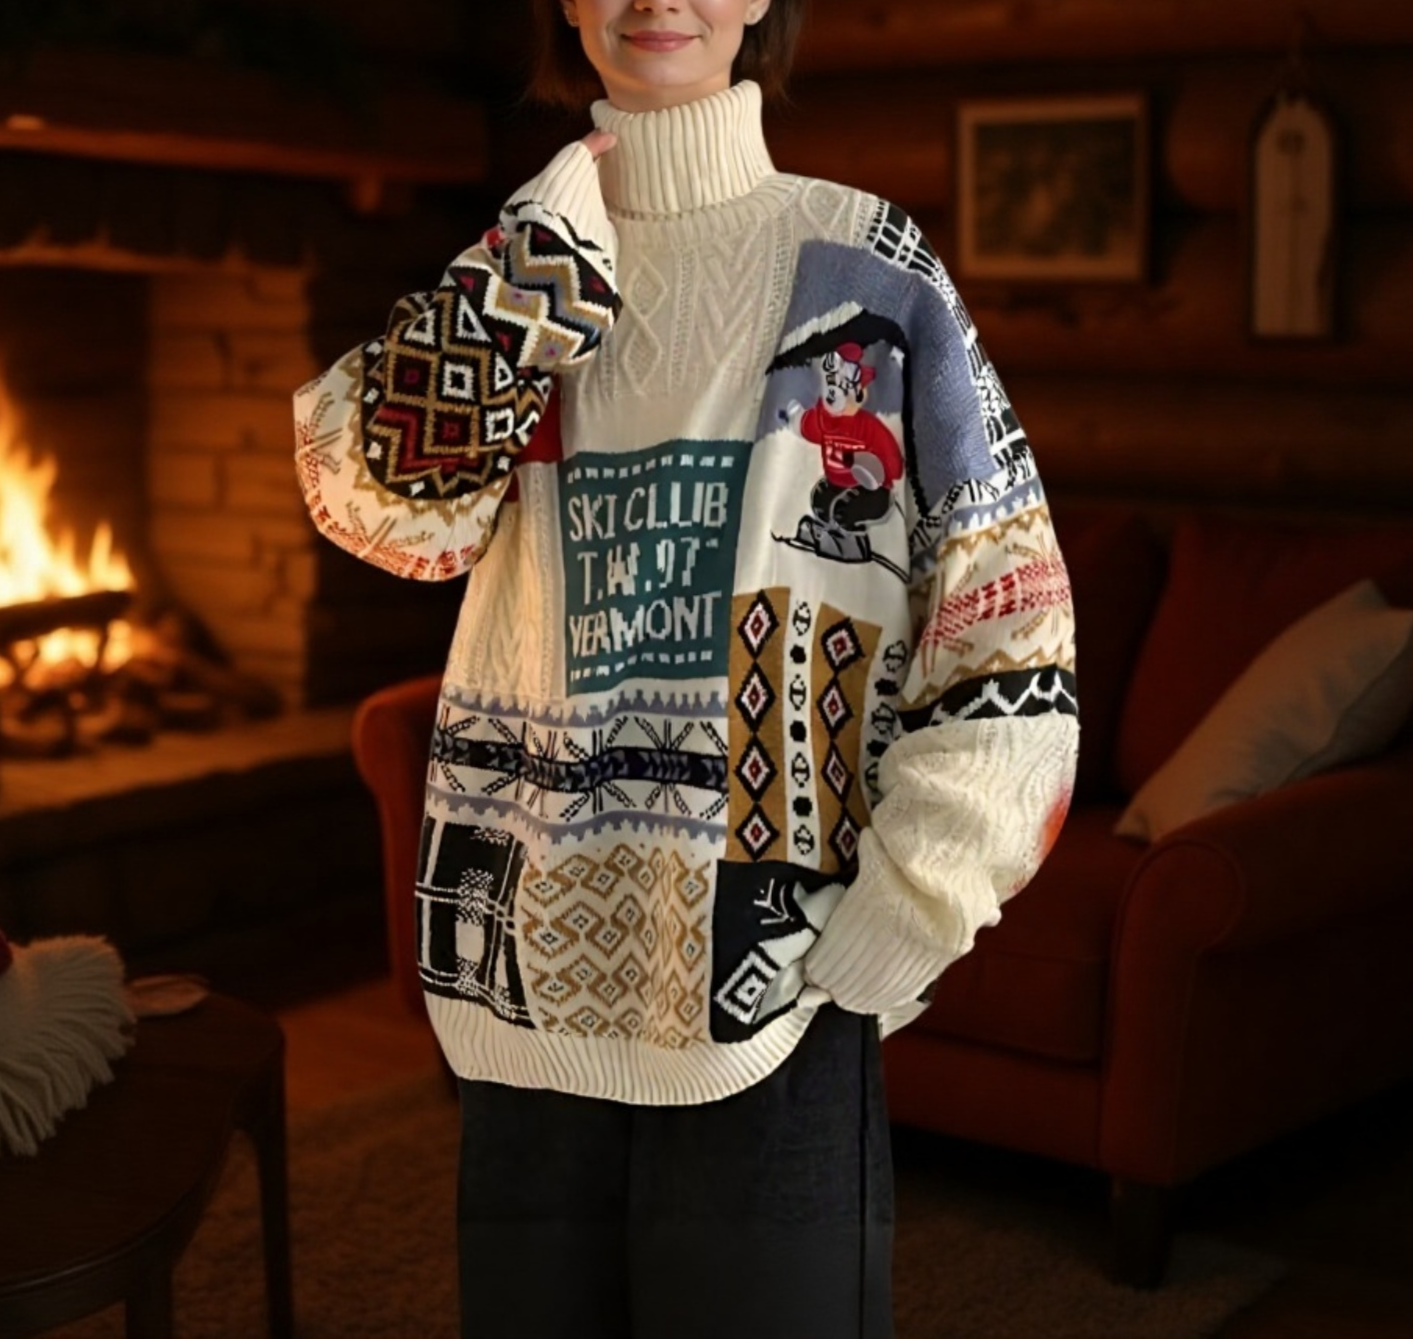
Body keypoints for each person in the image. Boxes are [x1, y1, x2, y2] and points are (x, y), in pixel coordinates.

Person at [293, 1, 1078, 1335]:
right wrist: (525, 288)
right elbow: (370, 506)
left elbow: (1015, 619)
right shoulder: (528, 259)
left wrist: (924, 889)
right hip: (528, 979)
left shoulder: (865, 268)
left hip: (775, 985)